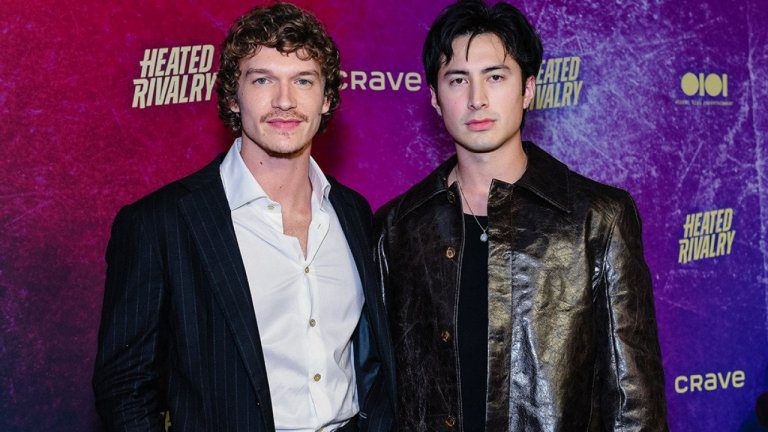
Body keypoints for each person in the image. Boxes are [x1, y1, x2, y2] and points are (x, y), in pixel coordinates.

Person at [93, 3, 394, 431]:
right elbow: (125, 387)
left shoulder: (353, 213)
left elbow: (373, 363)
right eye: (262, 79)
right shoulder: (159, 224)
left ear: (326, 99)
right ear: (234, 97)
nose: (285, 101)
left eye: (303, 80)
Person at [375, 0, 667, 430]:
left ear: (528, 89)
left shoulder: (598, 218)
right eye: (458, 80)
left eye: (495, 77)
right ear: (435, 97)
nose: (476, 99)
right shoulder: (398, 227)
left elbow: (634, 403)